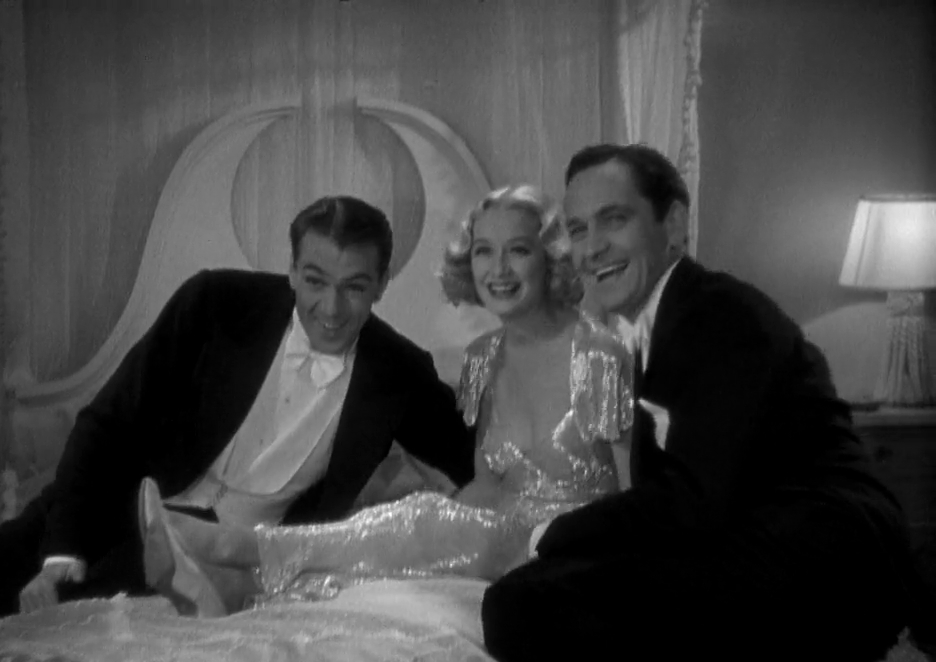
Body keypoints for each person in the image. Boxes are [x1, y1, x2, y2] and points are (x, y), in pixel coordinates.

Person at [480, 144, 932, 662]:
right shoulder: (649, 329)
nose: (591, 248)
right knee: (542, 595)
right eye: (577, 229)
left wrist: (547, 535)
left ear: (673, 225)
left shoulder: (721, 315)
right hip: (753, 542)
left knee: (521, 605)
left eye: (613, 220)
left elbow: (692, 499)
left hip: (827, 564)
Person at [136, 184, 636, 617]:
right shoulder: (483, 358)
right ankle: (240, 585)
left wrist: (436, 527)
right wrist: (425, 528)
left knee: (423, 520)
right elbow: (484, 484)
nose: (498, 269)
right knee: (415, 523)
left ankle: (233, 548)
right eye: (484, 251)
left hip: (568, 550)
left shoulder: (599, 355)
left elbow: (638, 499)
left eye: (519, 250)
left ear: (551, 256)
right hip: (496, 540)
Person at [0, 195, 476, 626]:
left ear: (382, 283)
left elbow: (477, 461)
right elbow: (106, 425)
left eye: (355, 287)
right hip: (101, 505)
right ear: (292, 270)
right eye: (315, 281)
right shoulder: (214, 303)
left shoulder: (399, 373)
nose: (331, 308)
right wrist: (62, 551)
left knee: (79, 630)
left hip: (218, 562)